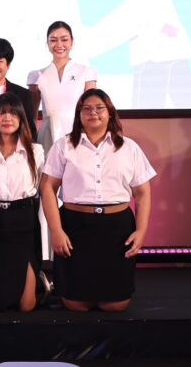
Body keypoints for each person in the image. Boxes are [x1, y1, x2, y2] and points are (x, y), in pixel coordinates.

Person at [40, 89, 155, 312]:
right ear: (79, 115)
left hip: (117, 228)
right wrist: (56, 231)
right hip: (75, 226)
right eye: (86, 109)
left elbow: (142, 192)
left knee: (115, 306)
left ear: (110, 113)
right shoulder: (63, 146)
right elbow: (47, 188)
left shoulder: (129, 147)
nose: (93, 112)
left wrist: (141, 231)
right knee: (76, 305)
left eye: (99, 108)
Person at [0, 91, 44, 311]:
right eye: (2, 113)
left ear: (22, 118)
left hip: (24, 221)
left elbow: (41, 189)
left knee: (27, 305)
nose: (7, 118)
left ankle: (40, 282)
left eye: (14, 113)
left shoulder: (36, 151)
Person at [29, 20, 97, 152]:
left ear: (72, 42)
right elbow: (32, 115)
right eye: (53, 40)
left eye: (64, 39)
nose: (59, 44)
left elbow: (91, 107)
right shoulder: (36, 75)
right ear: (47, 44)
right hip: (47, 133)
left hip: (77, 131)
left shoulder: (86, 72)